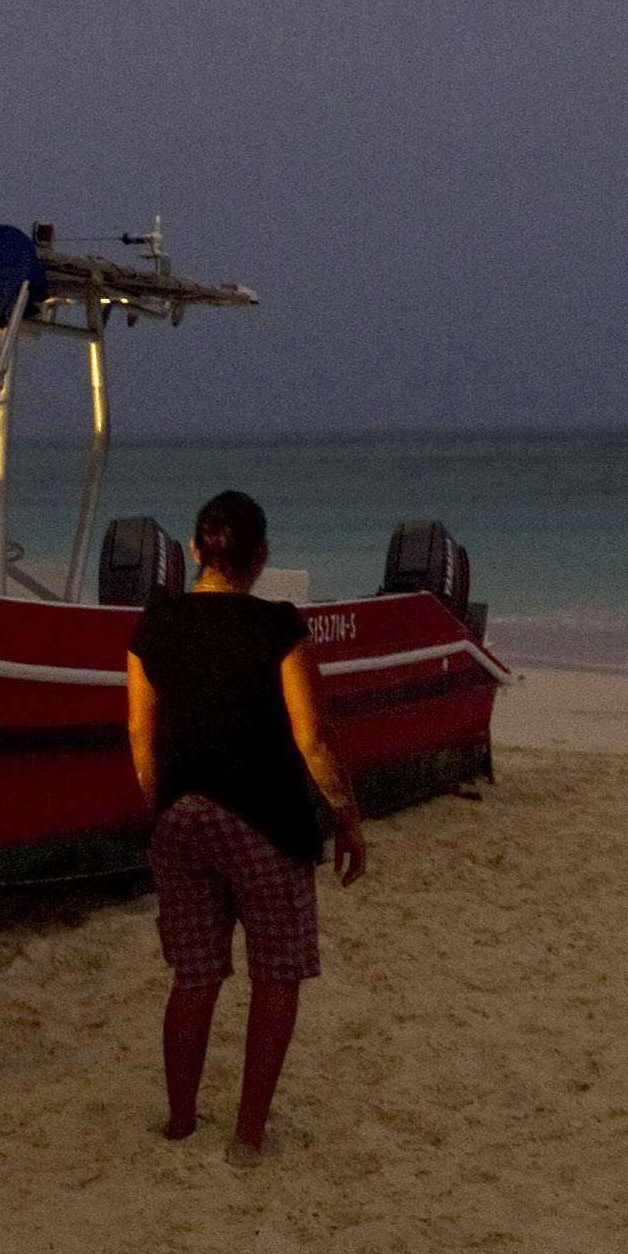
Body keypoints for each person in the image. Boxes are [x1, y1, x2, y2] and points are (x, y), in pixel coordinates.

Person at [122, 489, 366, 1166]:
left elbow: (141, 734)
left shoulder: (155, 625)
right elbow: (313, 738)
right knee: (276, 976)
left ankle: (178, 1121)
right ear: (260, 557)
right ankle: (248, 1135)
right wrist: (347, 819)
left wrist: (160, 807)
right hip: (265, 820)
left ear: (196, 550)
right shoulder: (277, 626)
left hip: (180, 816)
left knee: (194, 976)